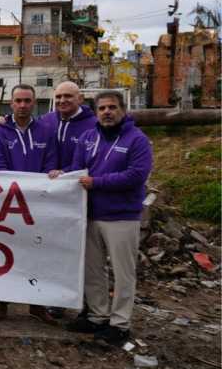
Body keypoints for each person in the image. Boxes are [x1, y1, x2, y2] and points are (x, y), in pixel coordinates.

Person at [65, 91, 152, 346]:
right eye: (102, 108)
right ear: (96, 112)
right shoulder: (87, 138)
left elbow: (136, 175)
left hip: (122, 216)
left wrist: (97, 182)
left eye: (112, 107)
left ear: (123, 110)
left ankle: (120, 323)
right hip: (90, 214)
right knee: (93, 269)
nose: (107, 112)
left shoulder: (137, 140)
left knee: (123, 273)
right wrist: (60, 175)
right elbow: (77, 170)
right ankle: (97, 315)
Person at [0, 84, 60, 324]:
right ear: (11, 103)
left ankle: (36, 304)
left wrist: (44, 183)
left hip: (38, 203)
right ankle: (1, 301)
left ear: (34, 103)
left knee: (36, 252)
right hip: (7, 202)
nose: (22, 105)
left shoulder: (46, 131)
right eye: (18, 100)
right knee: (4, 251)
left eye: (27, 101)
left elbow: (51, 163)